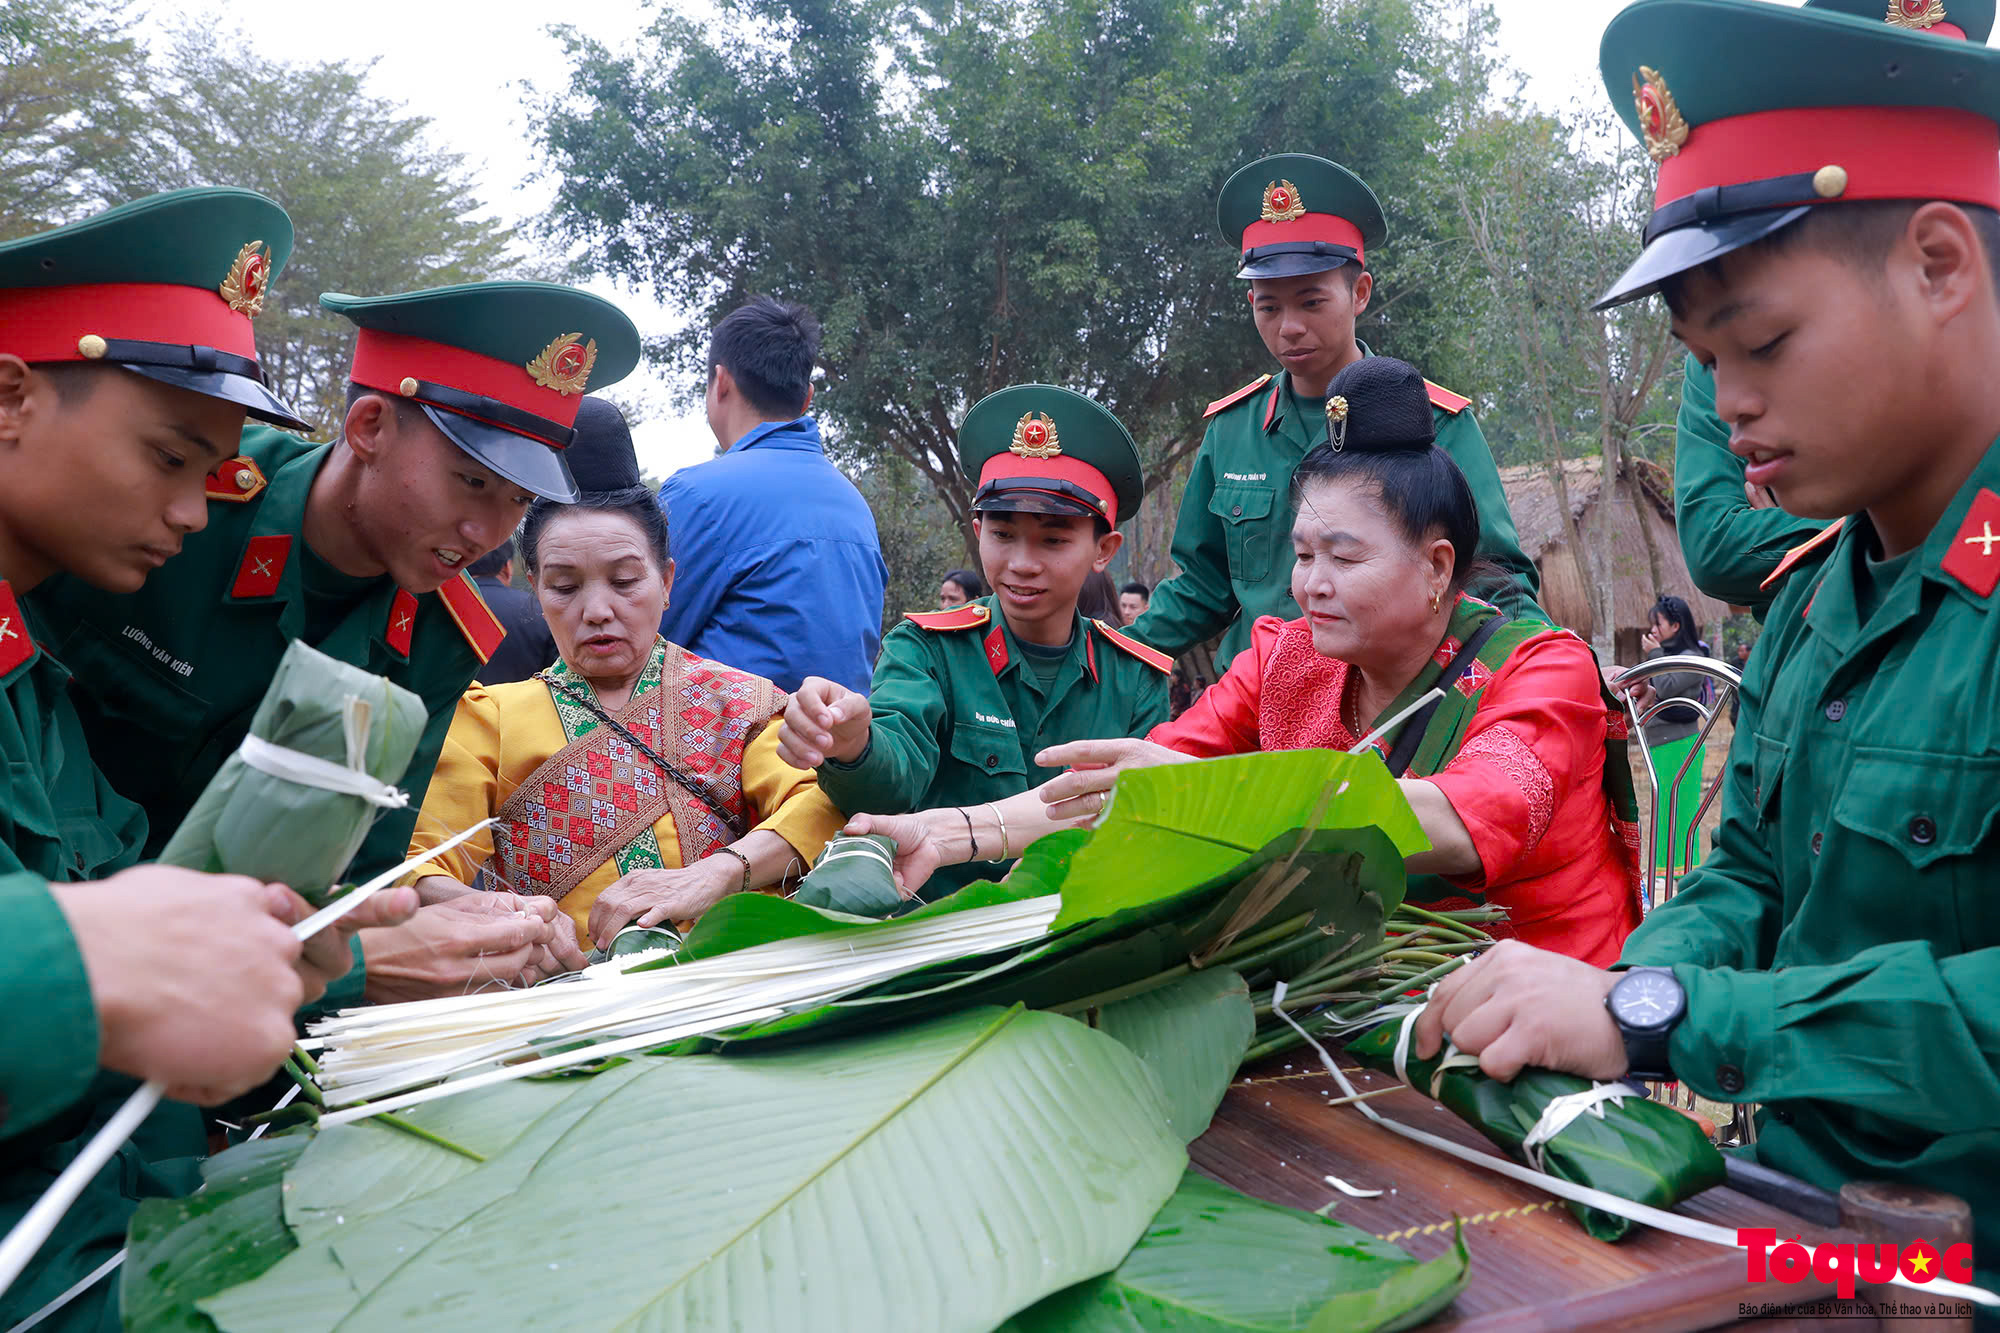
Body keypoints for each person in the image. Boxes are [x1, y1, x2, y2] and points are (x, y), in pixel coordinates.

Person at [1412, 0, 2000, 1297]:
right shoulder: (1814, 600)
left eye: (1764, 342)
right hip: (1803, 1242)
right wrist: (1617, 995)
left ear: (1942, 265)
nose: (1729, 402)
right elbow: (1740, 880)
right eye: (1702, 359)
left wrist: (1661, 1018)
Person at [848, 360, 1641, 963]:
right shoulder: (1290, 653)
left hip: (1536, 1006)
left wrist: (1211, 797)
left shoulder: (1541, 671)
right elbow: (1139, 779)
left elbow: (1455, 821)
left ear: (1437, 568)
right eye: (1301, 553)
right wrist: (951, 832)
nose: (1311, 585)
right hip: (1358, 995)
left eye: (1342, 556)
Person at [0, 189, 417, 1330]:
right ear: (9, 395)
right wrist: (83, 961)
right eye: (171, 457)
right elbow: (98, 950)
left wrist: (291, 962)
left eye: (220, 473)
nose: (194, 513)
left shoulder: (33, 684)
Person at [32, 278, 644, 1006]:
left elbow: (355, 862)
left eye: (516, 501)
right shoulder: (173, 504)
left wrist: (435, 915)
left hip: (221, 996)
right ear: (369, 428)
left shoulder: (442, 640)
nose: (488, 534)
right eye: (471, 481)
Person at [408, 398, 846, 952]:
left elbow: (820, 805)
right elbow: (422, 865)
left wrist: (714, 874)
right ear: (536, 589)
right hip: (566, 999)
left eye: (624, 581)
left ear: (666, 580)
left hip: (730, 987)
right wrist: (504, 919)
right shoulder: (489, 718)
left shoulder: (741, 703)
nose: (596, 610)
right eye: (565, 587)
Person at [1129, 153, 1543, 670]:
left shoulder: (1435, 424)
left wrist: (1552, 668)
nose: (1289, 327)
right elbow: (1201, 587)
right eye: (1269, 306)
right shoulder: (1232, 430)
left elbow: (1495, 578)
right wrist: (1115, 653)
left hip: (1384, 716)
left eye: (1311, 302)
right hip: (1250, 713)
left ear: (1360, 293)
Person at [777, 384, 1173, 899]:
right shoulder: (926, 649)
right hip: (929, 928)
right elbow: (890, 786)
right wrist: (852, 745)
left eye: (1054, 540)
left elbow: (1142, 820)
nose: (1022, 563)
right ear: (978, 528)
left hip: (1074, 931)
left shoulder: (1136, 678)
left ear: (1104, 549)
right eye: (1003, 534)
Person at [657, 297, 887, 693]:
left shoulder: (697, 495)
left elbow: (640, 640)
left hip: (727, 748)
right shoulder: (854, 505)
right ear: (807, 397)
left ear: (721, 381)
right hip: (838, 745)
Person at [1637, 594, 1714, 880]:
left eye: (1659, 623)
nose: (1654, 629)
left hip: (1682, 746)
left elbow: (1667, 687)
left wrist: (1655, 654)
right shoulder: (1669, 656)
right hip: (1661, 745)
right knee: (1662, 813)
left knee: (1682, 816)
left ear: (1676, 626)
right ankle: (1662, 875)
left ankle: (1683, 875)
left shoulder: (1694, 658)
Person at [464, 539, 556, 685]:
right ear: (507, 567)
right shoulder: (541, 610)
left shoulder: (439, 609)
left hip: (458, 707)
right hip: (528, 705)